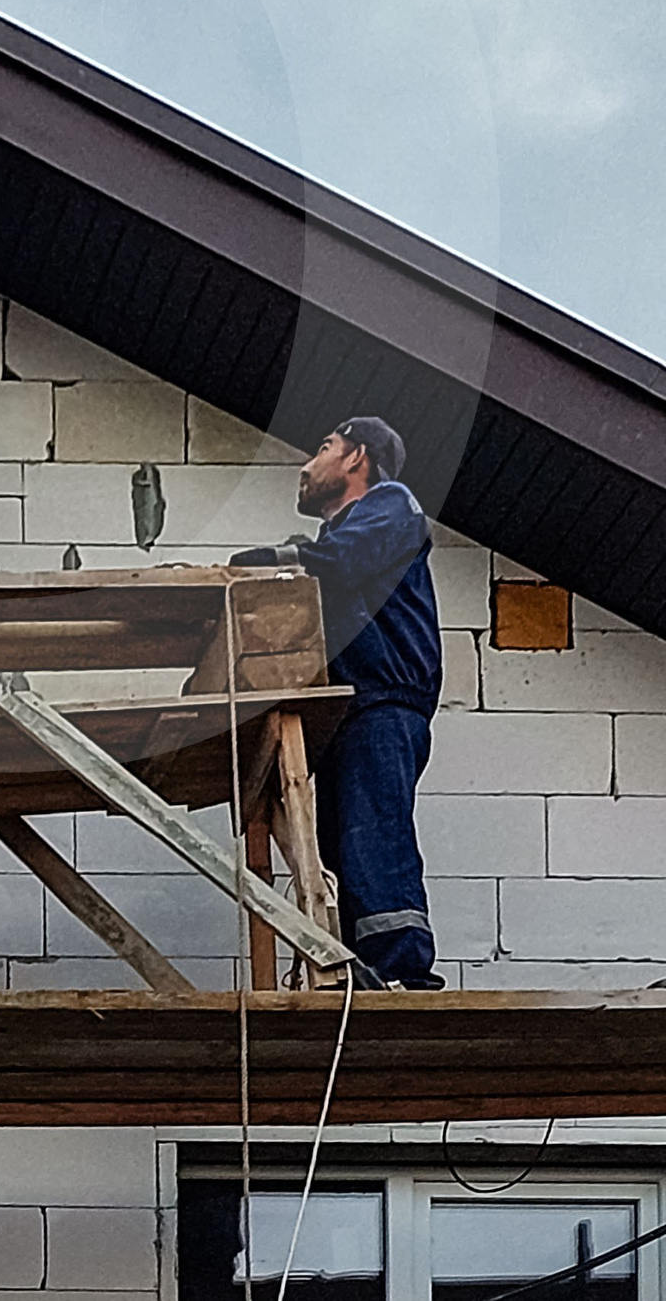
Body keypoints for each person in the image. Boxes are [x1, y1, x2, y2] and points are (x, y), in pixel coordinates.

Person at [231, 416, 445, 989]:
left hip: (382, 701)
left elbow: (344, 562)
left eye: (322, 447)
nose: (307, 465)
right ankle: (366, 968)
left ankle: (400, 972)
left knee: (374, 836)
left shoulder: (391, 505)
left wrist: (272, 558)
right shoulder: (337, 540)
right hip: (352, 711)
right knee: (347, 844)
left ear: (356, 458)